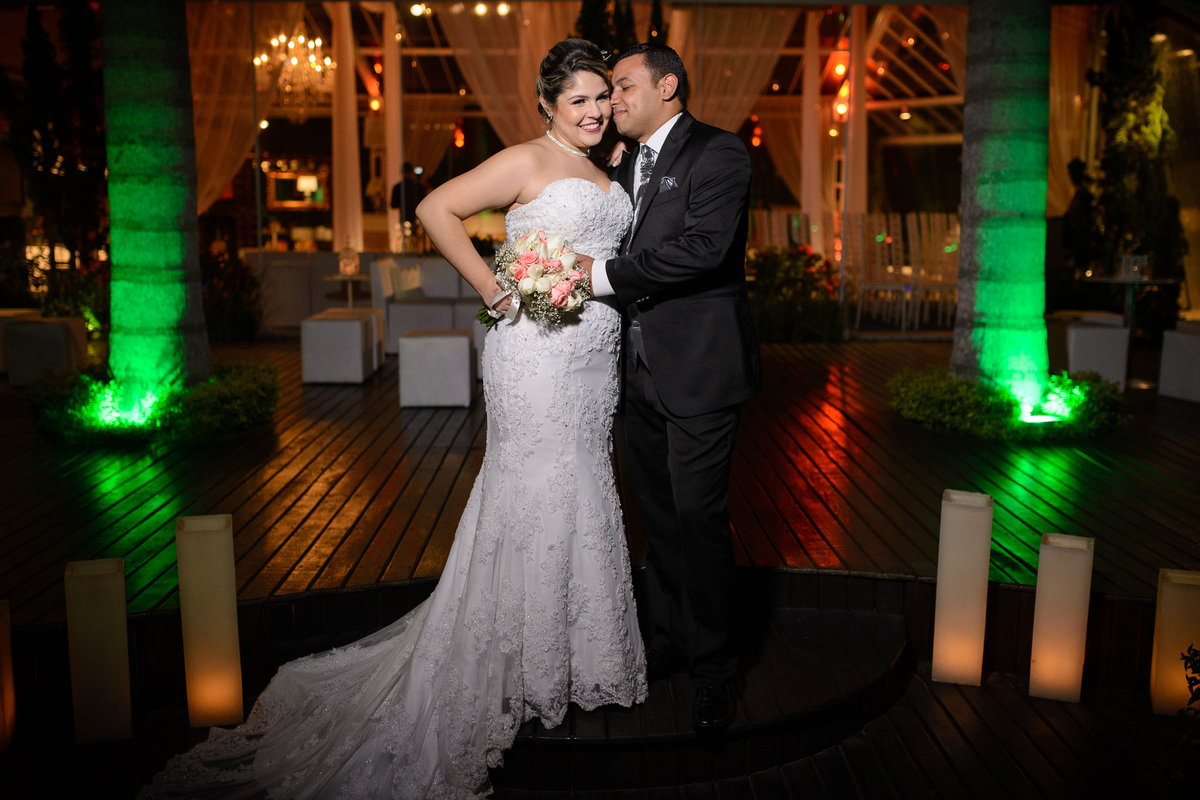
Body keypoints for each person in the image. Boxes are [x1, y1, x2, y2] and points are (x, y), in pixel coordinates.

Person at [141, 39, 644, 800]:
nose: (595, 110)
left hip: (593, 361)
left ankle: (576, 655)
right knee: (536, 491)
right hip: (536, 357)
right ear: (546, 105)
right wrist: (496, 286)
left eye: (601, 98)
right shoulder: (524, 160)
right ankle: (523, 660)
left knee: (583, 487)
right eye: (578, 100)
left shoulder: (608, 170)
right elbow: (433, 208)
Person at [575, 42, 761, 733]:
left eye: (621, 88)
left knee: (699, 519)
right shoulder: (622, 166)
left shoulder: (719, 152)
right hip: (633, 370)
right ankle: (669, 642)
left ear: (668, 86)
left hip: (702, 368)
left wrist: (597, 276)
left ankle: (716, 671)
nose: (610, 101)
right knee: (656, 517)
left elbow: (706, 248)